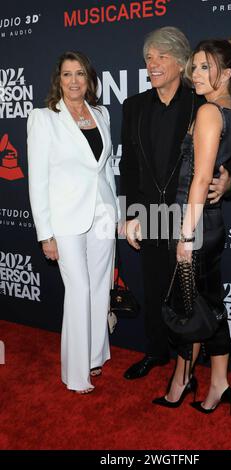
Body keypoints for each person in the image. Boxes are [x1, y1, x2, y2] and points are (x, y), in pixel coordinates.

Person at [120, 27, 231, 380]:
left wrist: (230, 179)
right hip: (150, 215)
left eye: (161, 56)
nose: (152, 64)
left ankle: (187, 367)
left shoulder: (201, 102)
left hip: (188, 213)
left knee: (193, 294)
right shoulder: (134, 106)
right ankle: (156, 353)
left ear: (181, 61)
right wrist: (129, 214)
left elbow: (224, 156)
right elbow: (127, 165)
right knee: (156, 286)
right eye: (148, 58)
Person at [152, 38, 231, 413]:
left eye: (205, 67)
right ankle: (217, 382)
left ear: (225, 73)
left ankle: (183, 381)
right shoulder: (229, 110)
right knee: (208, 305)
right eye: (194, 66)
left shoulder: (209, 112)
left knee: (190, 307)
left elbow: (200, 178)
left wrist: (186, 237)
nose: (195, 73)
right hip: (209, 222)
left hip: (196, 225)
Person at [27, 51, 119, 394]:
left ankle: (95, 356)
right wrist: (45, 234)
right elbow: (37, 180)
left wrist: (118, 214)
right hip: (65, 218)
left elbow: (106, 169)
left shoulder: (101, 113)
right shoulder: (44, 118)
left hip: (102, 214)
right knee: (79, 289)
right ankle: (76, 374)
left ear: (89, 79)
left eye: (80, 73)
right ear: (58, 80)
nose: (75, 80)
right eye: (68, 74)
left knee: (99, 288)